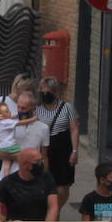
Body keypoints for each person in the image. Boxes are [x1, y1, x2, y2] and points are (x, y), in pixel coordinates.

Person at [0, 147, 61, 222]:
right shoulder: (8, 182)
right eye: (37, 161)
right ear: (26, 165)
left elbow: (53, 206)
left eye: (41, 160)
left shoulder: (47, 178)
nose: (41, 163)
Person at [37, 76, 80, 211]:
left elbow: (74, 129)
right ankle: (48, 210)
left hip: (63, 149)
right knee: (44, 182)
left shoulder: (67, 107)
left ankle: (55, 209)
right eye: (42, 92)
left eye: (48, 92)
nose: (45, 95)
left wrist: (74, 151)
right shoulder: (37, 109)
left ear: (56, 92)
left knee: (62, 186)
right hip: (44, 149)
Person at [0, 89, 52, 180]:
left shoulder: (44, 128)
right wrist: (18, 157)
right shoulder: (9, 124)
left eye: (23, 108)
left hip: (31, 177)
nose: (19, 110)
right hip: (9, 176)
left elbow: (44, 156)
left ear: (33, 108)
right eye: (18, 107)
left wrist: (45, 178)